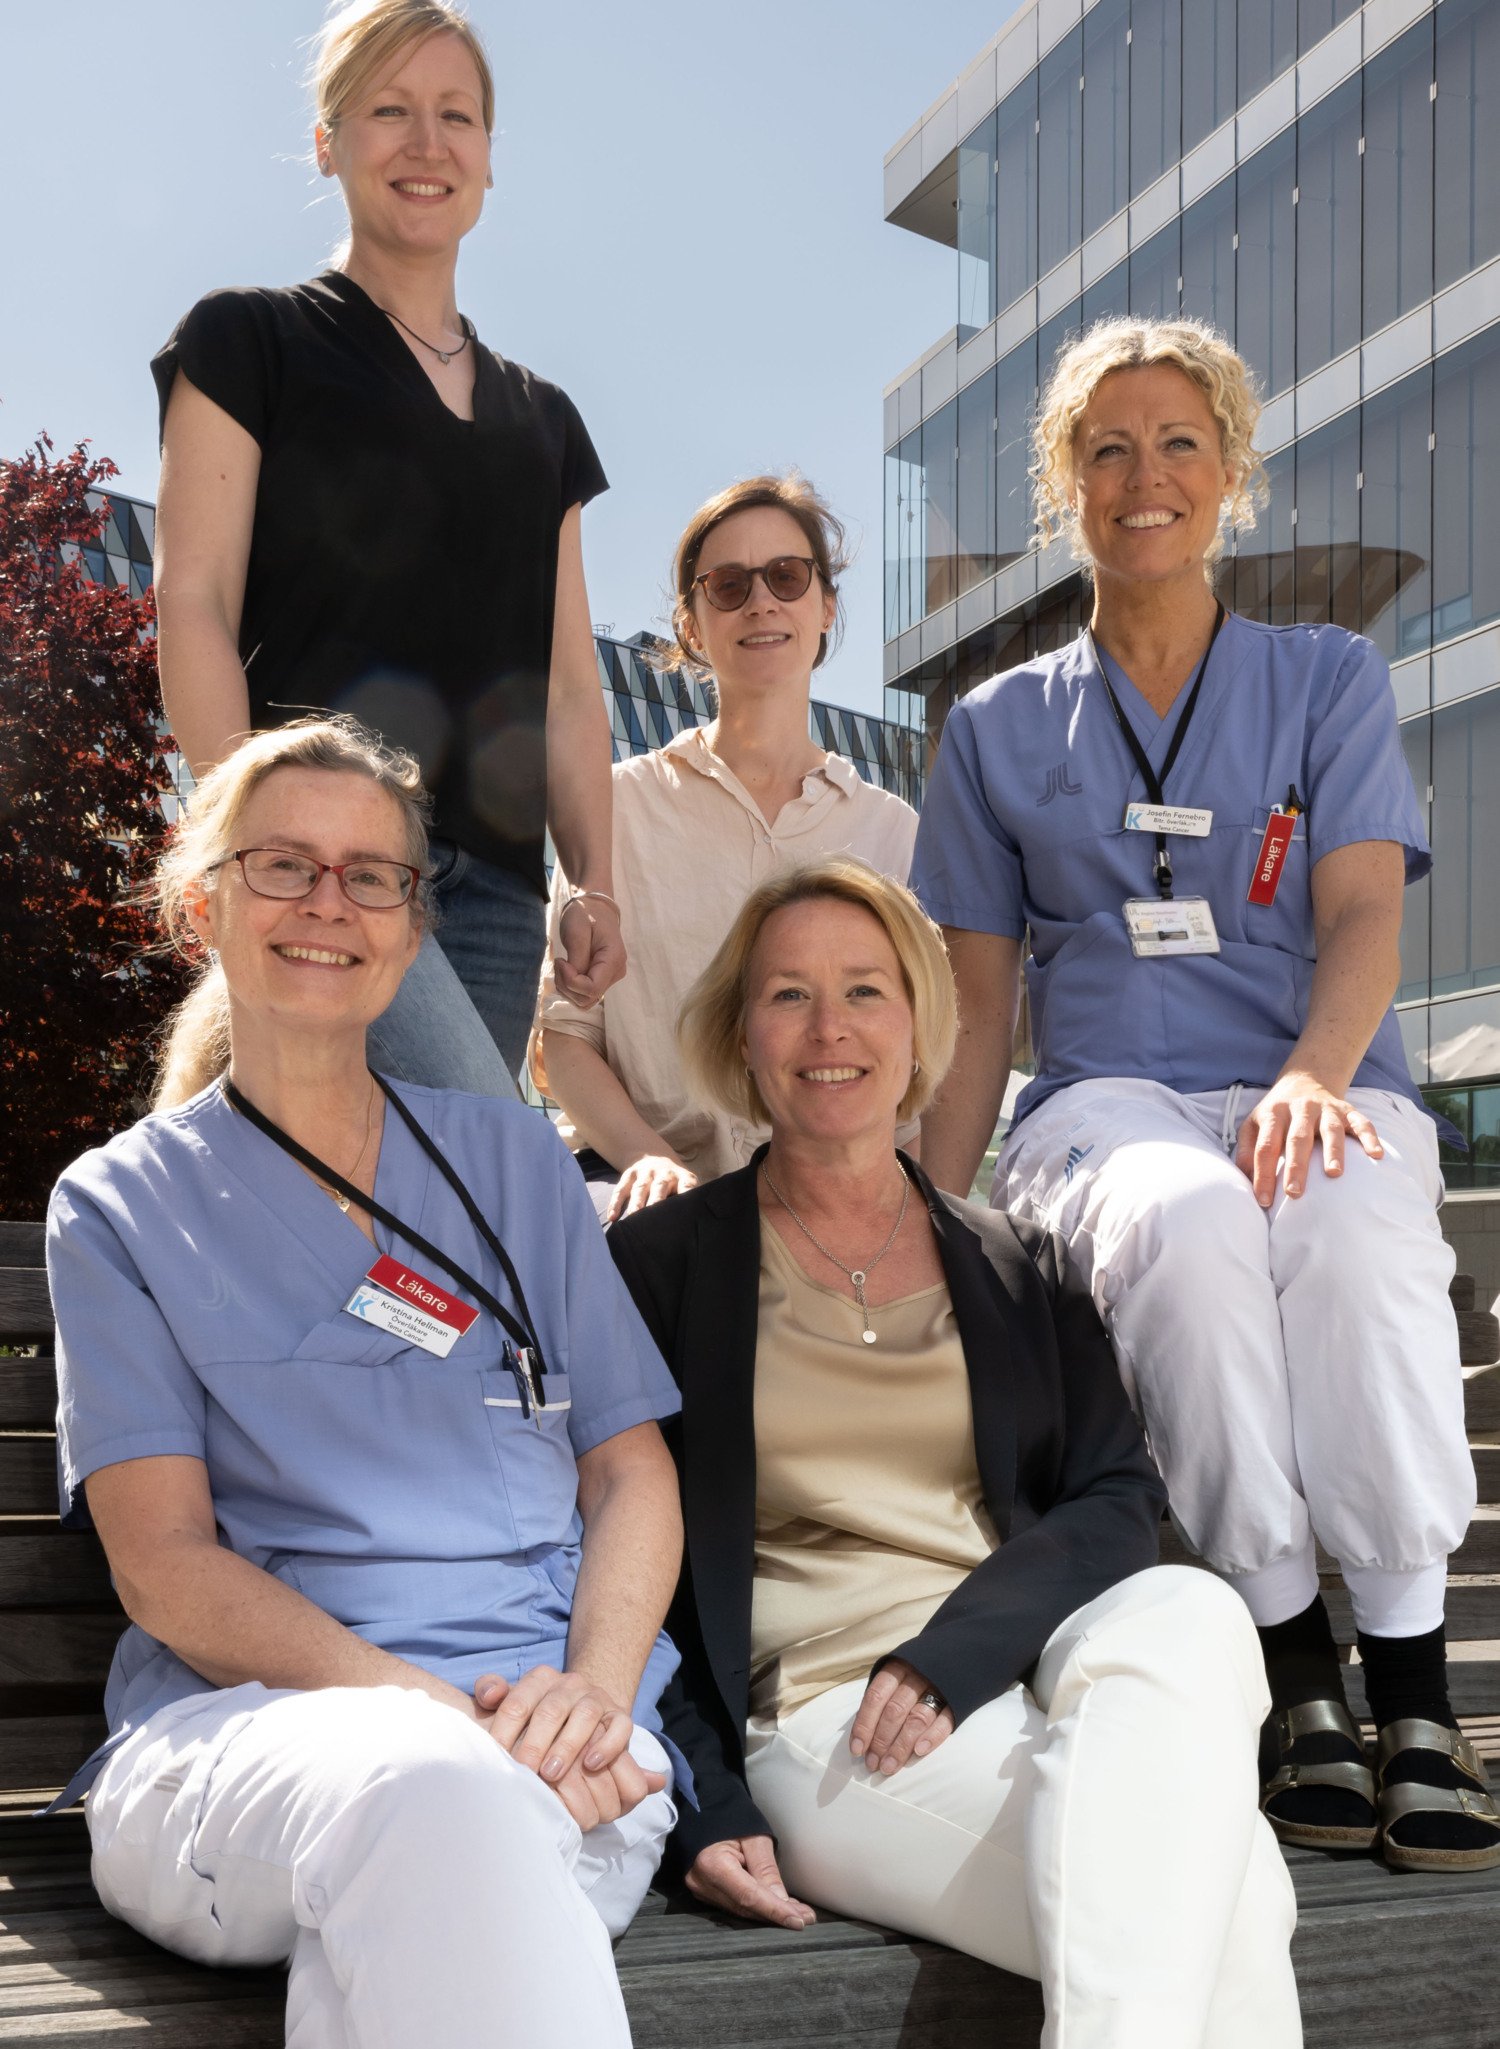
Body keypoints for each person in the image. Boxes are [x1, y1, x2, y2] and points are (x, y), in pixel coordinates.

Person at [912, 314, 1493, 1873]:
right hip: (1106, 1097)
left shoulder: (1328, 678)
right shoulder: (995, 728)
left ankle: (1418, 1682)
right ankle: (1296, 1664)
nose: (1143, 475)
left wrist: (1314, 1075)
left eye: (1178, 444)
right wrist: (922, 1216)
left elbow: (1365, 911)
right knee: (1182, 1227)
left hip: (1316, 1073)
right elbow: (976, 1012)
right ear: (1065, 487)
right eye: (1106, 448)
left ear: (1231, 475)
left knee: (1361, 1242)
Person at [46, 717, 685, 2046]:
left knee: (432, 1883)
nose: (327, 904)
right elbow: (164, 1567)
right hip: (253, 1748)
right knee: (434, 1793)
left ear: (409, 929)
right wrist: (429, 1708)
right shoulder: (119, 1207)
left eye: (370, 875)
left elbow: (630, 1469)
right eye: (283, 864)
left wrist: (599, 1691)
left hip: (569, 1750)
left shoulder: (514, 1164)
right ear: (203, 902)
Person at [608, 858, 1301, 2049]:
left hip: (1016, 1668)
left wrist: (951, 1658)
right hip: (831, 1729)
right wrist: (699, 1801)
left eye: (866, 990)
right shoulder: (659, 1269)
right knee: (1238, 1895)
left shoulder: (1017, 1261)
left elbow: (1118, 1496)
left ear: (922, 1023)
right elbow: (616, 1561)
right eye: (788, 995)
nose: (831, 1029)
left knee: (1189, 1609)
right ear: (741, 1031)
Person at [151, 0, 622, 1097]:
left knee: (393, 1216)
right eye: (390, 111)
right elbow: (196, 602)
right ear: (329, 142)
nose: (427, 144)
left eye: (456, 116)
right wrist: (248, 853)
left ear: (490, 159)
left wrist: (591, 880)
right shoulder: (247, 341)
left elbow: (565, 685)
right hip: (326, 864)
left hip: (500, 904)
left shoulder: (544, 421)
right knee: (481, 1159)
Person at [532, 474, 917, 1220]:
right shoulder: (612, 807)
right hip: (641, 1198)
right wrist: (655, 1163)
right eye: (730, 584)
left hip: (833, 1202)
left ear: (826, 605)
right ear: (692, 625)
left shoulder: (892, 831)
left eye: (786, 576)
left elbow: (915, 1058)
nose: (762, 601)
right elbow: (566, 1040)